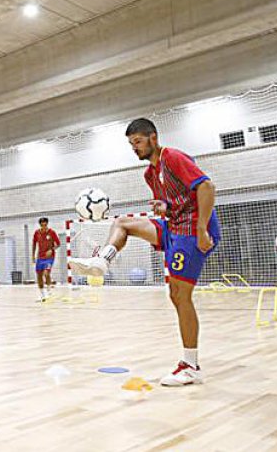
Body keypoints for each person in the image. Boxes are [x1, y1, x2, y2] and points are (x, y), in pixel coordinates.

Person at [69, 118, 221, 387]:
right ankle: (102, 261)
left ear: (153, 138)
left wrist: (201, 229)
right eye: (131, 144)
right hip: (174, 226)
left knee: (180, 295)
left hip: (192, 231)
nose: (134, 148)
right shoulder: (150, 174)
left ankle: (191, 366)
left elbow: (206, 187)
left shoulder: (172, 157)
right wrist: (165, 207)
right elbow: (176, 203)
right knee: (122, 223)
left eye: (137, 142)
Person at [32, 217, 60, 301]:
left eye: (45, 224)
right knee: (39, 275)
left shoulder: (52, 232)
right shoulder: (37, 233)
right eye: (42, 225)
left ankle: (48, 291)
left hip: (49, 257)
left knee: (46, 273)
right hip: (40, 257)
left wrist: (51, 249)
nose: (43, 226)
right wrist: (33, 255)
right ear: (40, 225)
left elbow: (58, 244)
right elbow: (34, 244)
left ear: (47, 224)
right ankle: (42, 294)